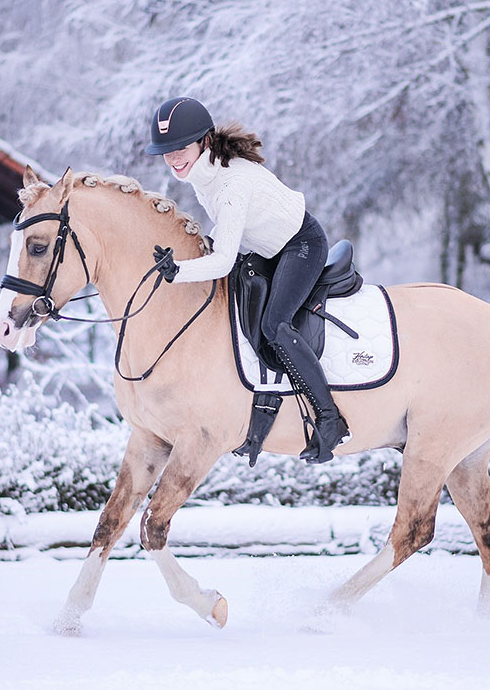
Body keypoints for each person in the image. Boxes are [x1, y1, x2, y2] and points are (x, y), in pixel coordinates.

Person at [143, 96, 348, 464]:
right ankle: (254, 420)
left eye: (181, 148)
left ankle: (330, 419)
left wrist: (180, 272)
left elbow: (222, 261)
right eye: (166, 151)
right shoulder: (203, 171)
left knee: (274, 325)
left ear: (204, 141)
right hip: (266, 247)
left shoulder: (230, 183)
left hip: (301, 244)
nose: (173, 158)